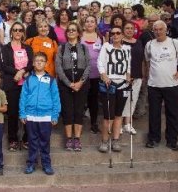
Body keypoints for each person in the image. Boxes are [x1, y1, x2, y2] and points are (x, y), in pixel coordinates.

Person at [145, 20, 178, 151]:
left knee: (172, 114)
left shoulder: (175, 43)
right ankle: (153, 139)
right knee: (154, 114)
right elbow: (146, 61)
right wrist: (147, 76)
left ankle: (172, 140)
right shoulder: (149, 44)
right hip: (153, 85)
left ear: (166, 29)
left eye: (160, 29)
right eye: (155, 29)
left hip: (171, 85)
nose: (157, 32)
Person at [20, 52, 61, 175]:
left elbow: (56, 98)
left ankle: (46, 164)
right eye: (37, 60)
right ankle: (31, 164)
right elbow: (23, 97)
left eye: (42, 60)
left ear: (46, 63)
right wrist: (22, 113)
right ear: (33, 63)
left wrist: (55, 115)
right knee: (32, 142)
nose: (39, 62)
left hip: (46, 116)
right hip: (31, 116)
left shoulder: (51, 80)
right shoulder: (28, 79)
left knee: (45, 142)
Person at [55, 22, 90, 151]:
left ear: (78, 33)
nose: (71, 32)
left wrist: (81, 82)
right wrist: (69, 83)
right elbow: (58, 67)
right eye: (69, 30)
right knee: (68, 111)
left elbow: (88, 66)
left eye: (73, 30)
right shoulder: (61, 48)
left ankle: (77, 139)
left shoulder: (84, 48)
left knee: (79, 111)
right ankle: (69, 139)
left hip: (82, 84)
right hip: (65, 84)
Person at [97, 26, 131, 153]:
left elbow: (128, 64)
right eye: (113, 33)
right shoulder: (106, 46)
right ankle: (105, 141)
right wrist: (104, 75)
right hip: (109, 84)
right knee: (108, 116)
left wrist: (128, 76)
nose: (115, 35)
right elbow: (100, 62)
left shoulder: (127, 49)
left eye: (118, 33)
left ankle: (115, 140)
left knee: (118, 114)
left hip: (123, 84)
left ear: (122, 35)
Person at [1, 22, 33, 151]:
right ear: (11, 32)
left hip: (26, 84)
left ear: (23, 33)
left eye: (20, 30)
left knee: (27, 111)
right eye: (15, 30)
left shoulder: (28, 48)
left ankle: (26, 138)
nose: (18, 32)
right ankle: (13, 139)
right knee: (13, 113)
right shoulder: (6, 48)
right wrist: (17, 72)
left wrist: (23, 71)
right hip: (12, 83)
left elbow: (31, 63)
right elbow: (4, 66)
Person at [81, 15, 104, 134]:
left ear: (96, 24)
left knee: (93, 100)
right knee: (80, 99)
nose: (89, 24)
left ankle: (94, 123)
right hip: (81, 75)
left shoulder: (101, 37)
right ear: (84, 24)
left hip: (96, 74)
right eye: (87, 21)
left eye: (92, 22)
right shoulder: (79, 36)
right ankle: (77, 123)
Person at [121, 21, 144, 135]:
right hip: (122, 77)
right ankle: (119, 124)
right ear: (123, 30)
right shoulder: (119, 42)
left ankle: (128, 124)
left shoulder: (139, 42)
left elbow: (142, 60)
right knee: (121, 101)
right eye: (127, 28)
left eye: (132, 28)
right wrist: (126, 75)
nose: (129, 30)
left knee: (133, 100)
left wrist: (143, 74)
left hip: (137, 76)